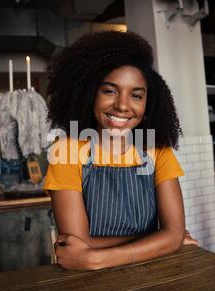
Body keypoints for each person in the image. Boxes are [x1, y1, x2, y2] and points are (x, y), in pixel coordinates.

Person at [44, 31, 197, 271]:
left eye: (136, 95)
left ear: (147, 106)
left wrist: (96, 257)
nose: (123, 105)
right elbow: (76, 243)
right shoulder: (66, 150)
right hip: (91, 283)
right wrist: (161, 239)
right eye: (110, 91)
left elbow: (173, 235)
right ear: (89, 93)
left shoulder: (158, 151)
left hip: (154, 274)